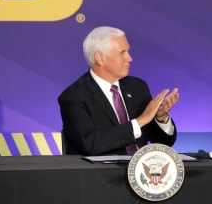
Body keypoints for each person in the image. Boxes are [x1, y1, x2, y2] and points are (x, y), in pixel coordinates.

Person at [59, 26, 179, 155]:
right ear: (100, 58)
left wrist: (161, 118)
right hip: (101, 174)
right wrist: (140, 121)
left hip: (140, 172)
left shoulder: (137, 87)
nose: (130, 58)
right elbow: (90, 144)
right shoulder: (73, 97)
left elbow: (163, 142)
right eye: (122, 52)